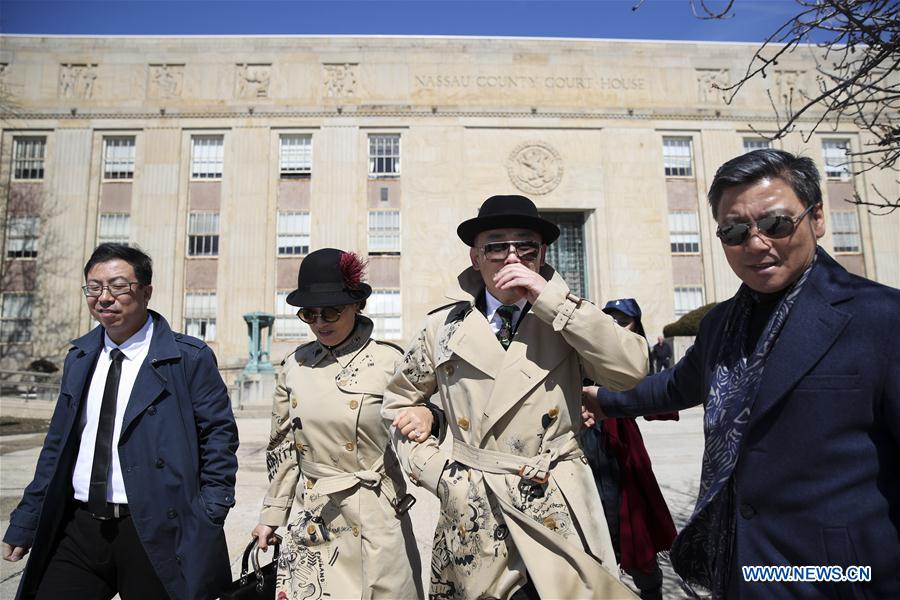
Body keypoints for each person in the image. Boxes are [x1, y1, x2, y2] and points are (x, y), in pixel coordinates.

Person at [584, 149, 900, 598]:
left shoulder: (882, 318)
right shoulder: (719, 324)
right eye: (735, 231)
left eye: (776, 225)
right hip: (741, 566)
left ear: (818, 219)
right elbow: (676, 386)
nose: (756, 244)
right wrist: (600, 398)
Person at [382, 195, 649, 599]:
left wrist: (553, 301)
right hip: (473, 504)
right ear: (476, 258)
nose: (512, 257)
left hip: (556, 499)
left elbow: (630, 371)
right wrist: (437, 473)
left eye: (526, 247)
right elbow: (398, 402)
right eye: (496, 246)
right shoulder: (443, 328)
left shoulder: (573, 318)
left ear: (541, 255)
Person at [2, 243, 238, 600]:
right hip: (79, 527)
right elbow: (57, 445)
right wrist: (27, 518)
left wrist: (210, 512)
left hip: (155, 528)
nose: (104, 297)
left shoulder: (187, 358)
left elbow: (218, 436)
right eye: (94, 287)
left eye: (117, 286)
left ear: (145, 292)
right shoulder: (80, 357)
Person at [251, 248, 432, 599]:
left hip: (379, 515)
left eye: (331, 310)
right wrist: (271, 515)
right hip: (319, 520)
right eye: (310, 313)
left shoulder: (389, 361)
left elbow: (424, 428)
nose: (320, 322)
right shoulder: (295, 365)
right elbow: (284, 448)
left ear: (356, 307)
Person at [581, 298, 678, 600]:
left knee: (634, 531)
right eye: (609, 320)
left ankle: (651, 591)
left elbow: (658, 398)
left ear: (636, 325)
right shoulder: (583, 350)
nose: (616, 326)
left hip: (620, 451)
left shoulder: (636, 358)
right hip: (580, 447)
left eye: (623, 321)